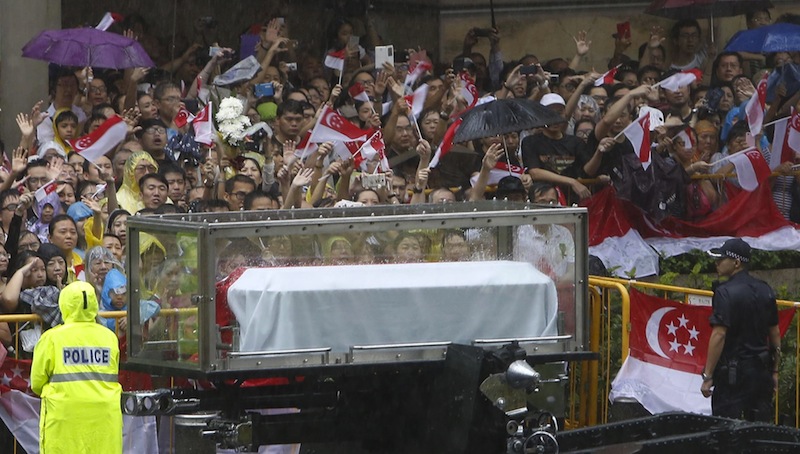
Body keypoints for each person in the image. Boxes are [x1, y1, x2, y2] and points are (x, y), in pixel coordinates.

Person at [31, 280, 123, 454]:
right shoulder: (109, 337)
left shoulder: (52, 338)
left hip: (64, 418)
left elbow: (37, 383)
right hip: (105, 418)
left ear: (64, 304)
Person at [701, 238, 780, 422]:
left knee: (726, 433)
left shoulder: (725, 292)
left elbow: (719, 334)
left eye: (722, 258)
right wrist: (774, 372)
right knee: (760, 432)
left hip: (732, 377)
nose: (717, 262)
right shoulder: (765, 289)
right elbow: (774, 334)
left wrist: (708, 375)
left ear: (736, 263)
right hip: (761, 373)